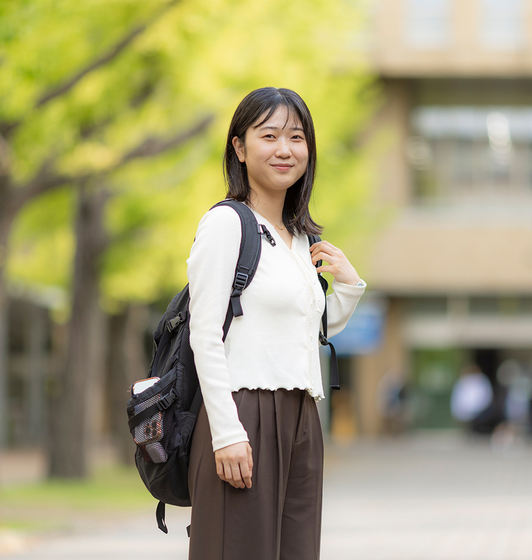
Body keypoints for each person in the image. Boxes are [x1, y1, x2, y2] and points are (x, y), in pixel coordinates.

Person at [186, 87, 366, 560]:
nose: (285, 149)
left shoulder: (299, 238)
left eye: (296, 137)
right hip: (244, 412)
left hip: (302, 416)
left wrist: (349, 286)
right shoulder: (227, 224)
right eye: (269, 136)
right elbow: (204, 334)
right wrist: (226, 431)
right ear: (240, 148)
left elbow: (304, 331)